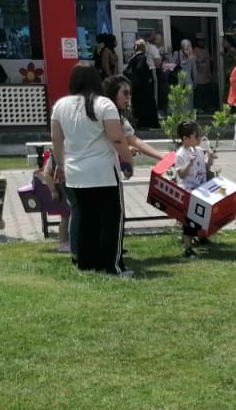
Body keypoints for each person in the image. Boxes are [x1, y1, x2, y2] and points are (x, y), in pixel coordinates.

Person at [49, 63, 136, 275]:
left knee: (86, 220)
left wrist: (60, 165)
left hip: (75, 172)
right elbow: (116, 138)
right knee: (111, 220)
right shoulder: (104, 104)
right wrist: (128, 160)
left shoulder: (61, 105)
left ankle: (87, 263)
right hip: (103, 171)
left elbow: (56, 139)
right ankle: (112, 265)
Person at [173, 119, 216, 258]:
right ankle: (188, 248)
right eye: (195, 136)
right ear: (185, 139)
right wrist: (189, 162)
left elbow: (206, 166)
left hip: (200, 188)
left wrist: (210, 158)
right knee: (190, 221)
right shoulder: (181, 154)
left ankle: (201, 237)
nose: (198, 139)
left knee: (203, 215)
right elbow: (181, 174)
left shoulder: (198, 150)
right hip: (188, 190)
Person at [106, 75, 166, 169]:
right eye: (125, 93)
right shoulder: (100, 117)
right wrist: (125, 150)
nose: (129, 97)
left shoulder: (121, 119)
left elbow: (134, 140)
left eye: (130, 93)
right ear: (113, 94)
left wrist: (161, 156)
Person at [124, 38, 158, 130]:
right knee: (148, 104)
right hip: (144, 86)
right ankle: (148, 122)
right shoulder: (142, 57)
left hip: (137, 87)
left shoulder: (133, 57)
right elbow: (141, 70)